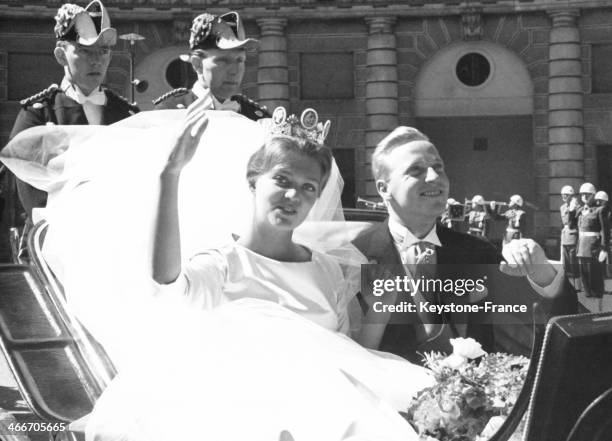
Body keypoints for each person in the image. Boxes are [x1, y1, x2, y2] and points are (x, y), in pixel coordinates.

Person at [352, 126, 577, 361]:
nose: (434, 177)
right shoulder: (355, 255)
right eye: (416, 170)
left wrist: (543, 274)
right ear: (383, 188)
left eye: (438, 168)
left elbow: (556, 331)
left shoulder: (476, 252)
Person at [5, 0, 138, 258]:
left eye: (104, 51)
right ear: (60, 54)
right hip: (57, 248)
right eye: (85, 51)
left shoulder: (127, 115)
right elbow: (32, 199)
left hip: (121, 246)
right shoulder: (38, 114)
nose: (97, 61)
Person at [153, 11, 270, 121]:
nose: (234, 70)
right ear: (197, 64)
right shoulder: (169, 112)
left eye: (240, 60)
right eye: (223, 60)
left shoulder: (257, 117)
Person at [577, 183, 609, 298]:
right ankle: (588, 293)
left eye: (587, 194)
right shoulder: (581, 211)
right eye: (582, 194)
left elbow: (605, 230)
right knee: (583, 272)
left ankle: (598, 294)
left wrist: (604, 248)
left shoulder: (599, 210)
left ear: (593, 195)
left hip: (593, 246)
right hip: (582, 246)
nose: (584, 196)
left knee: (594, 272)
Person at [560, 185, 580, 281]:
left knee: (573, 260)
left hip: (573, 234)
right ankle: (569, 283)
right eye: (563, 194)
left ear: (571, 196)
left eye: (566, 195)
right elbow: (564, 223)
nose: (564, 196)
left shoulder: (577, 207)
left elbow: (574, 222)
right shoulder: (562, 207)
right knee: (566, 261)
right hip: (565, 235)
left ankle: (578, 283)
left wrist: (572, 209)